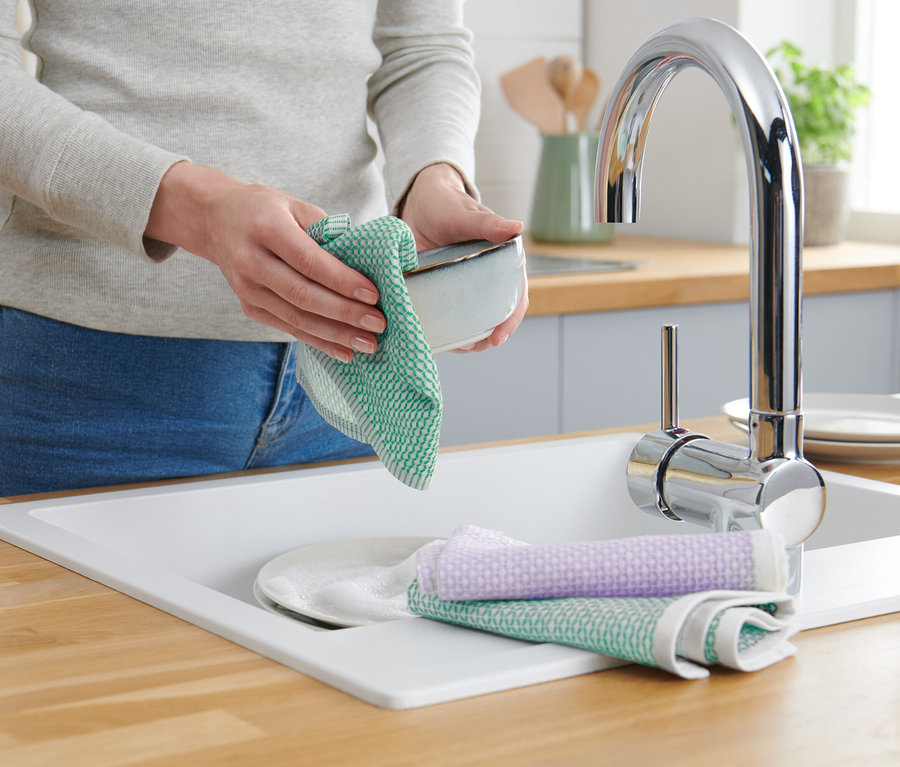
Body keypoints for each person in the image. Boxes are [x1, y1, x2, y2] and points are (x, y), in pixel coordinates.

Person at [0, 1, 527, 497]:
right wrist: (199, 211)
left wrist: (432, 180)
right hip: (85, 376)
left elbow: (421, 48)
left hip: (358, 375)